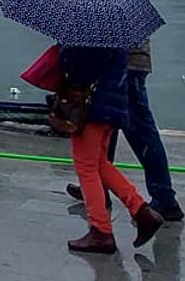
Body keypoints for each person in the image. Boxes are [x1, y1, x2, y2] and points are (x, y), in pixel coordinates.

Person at [66, 0, 183, 222]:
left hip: (124, 63)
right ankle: (97, 185)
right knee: (107, 128)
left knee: (140, 129)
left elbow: (111, 20)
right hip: (126, 59)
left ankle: (164, 198)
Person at [59, 44, 165, 254]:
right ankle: (141, 211)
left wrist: (63, 51)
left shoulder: (90, 33)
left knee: (86, 166)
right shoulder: (116, 33)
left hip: (92, 106)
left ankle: (101, 231)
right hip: (111, 105)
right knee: (100, 163)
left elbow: (78, 70)